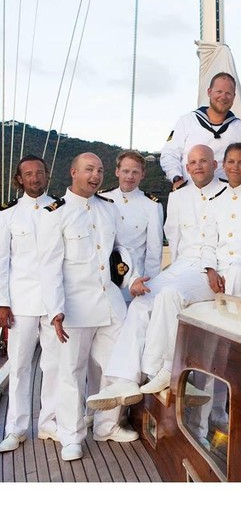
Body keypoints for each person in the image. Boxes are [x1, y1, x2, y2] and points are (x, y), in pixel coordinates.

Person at [86, 145, 224, 411]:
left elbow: (154, 250)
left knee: (166, 299)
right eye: (192, 162)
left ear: (214, 164)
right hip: (178, 266)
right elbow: (175, 238)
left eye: (203, 161)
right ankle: (125, 380)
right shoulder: (179, 196)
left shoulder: (227, 194)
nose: (197, 166)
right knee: (142, 304)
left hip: (207, 268)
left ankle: (158, 372)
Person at [138, 142, 241, 398]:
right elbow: (208, 244)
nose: (235, 167)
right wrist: (210, 269)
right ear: (223, 165)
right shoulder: (216, 201)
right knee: (170, 293)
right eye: (231, 162)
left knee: (237, 272)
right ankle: (164, 368)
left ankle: (228, 343)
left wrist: (233, 265)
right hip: (218, 271)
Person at [37, 153, 142, 462]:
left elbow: (119, 251)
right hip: (75, 308)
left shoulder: (108, 208)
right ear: (73, 172)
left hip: (110, 304)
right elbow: (49, 268)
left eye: (99, 170)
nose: (96, 175)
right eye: (89, 169)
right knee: (71, 373)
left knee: (116, 367)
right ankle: (71, 436)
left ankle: (106, 426)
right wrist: (55, 310)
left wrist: (132, 279)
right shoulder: (55, 213)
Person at [0, 156, 60, 452]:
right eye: (28, 174)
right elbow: (2, 261)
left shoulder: (60, 209)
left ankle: (50, 423)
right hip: (20, 301)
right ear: (20, 179)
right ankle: (16, 428)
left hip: (54, 302)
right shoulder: (8, 215)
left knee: (54, 365)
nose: (35, 178)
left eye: (39, 173)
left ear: (47, 175)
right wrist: (2, 303)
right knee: (20, 366)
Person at [160, 71, 241, 187]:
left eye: (228, 93)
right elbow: (169, 154)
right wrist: (176, 178)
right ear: (209, 92)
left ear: (234, 96)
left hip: (227, 194)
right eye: (219, 92)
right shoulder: (186, 121)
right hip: (188, 191)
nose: (223, 97)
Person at [99, 150, 163, 302]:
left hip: (133, 284)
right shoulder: (102, 199)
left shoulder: (152, 205)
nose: (130, 176)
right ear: (117, 172)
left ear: (143, 175)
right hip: (102, 282)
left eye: (135, 172)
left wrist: (148, 286)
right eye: (126, 171)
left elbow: (154, 252)